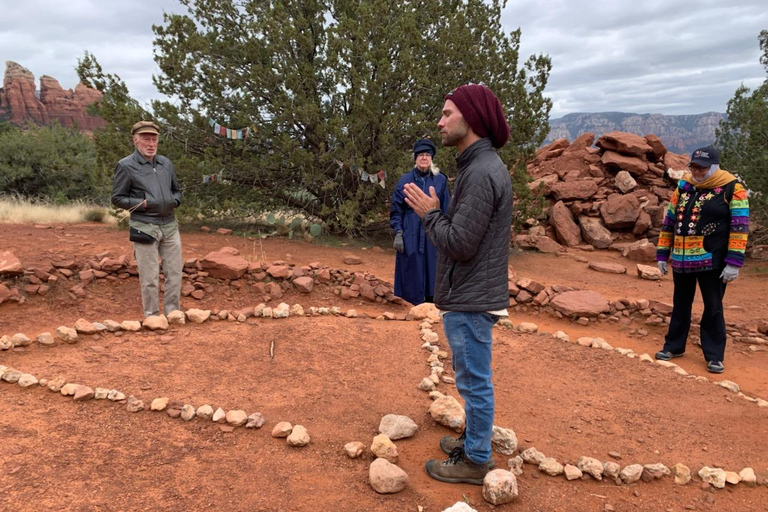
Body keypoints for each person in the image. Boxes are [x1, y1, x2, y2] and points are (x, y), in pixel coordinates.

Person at [404, 84, 513, 485]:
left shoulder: (481, 172)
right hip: (471, 291)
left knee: (474, 380)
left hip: (471, 296)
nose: (441, 121)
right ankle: (473, 441)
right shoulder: (476, 165)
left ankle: (478, 458)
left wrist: (431, 214)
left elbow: (461, 243)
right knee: (470, 376)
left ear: (471, 118)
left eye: (448, 113)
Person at [655, 145, 749, 374]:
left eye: (702, 167)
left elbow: (740, 226)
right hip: (681, 259)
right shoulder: (684, 187)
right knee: (680, 305)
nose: (697, 171)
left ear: (714, 167)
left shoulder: (732, 188)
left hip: (713, 262)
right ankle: (674, 346)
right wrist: (662, 253)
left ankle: (714, 355)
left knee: (713, 307)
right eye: (694, 166)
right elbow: (669, 220)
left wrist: (733, 262)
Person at [112, 121, 183, 318]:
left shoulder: (165, 163)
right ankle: (152, 317)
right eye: (146, 139)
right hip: (143, 226)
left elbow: (176, 189)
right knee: (150, 276)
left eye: (154, 139)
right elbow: (117, 198)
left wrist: (174, 201)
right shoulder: (125, 166)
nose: (151, 144)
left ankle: (173, 313)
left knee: (175, 273)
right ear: (135, 140)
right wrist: (143, 204)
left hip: (169, 224)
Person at [390, 138, 450, 305]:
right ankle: (412, 304)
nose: (424, 158)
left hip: (434, 229)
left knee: (434, 264)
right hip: (411, 230)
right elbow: (397, 209)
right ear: (415, 158)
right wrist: (398, 232)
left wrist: (445, 232)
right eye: (421, 155)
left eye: (427, 155)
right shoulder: (404, 180)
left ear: (431, 158)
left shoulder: (441, 180)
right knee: (412, 264)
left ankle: (432, 302)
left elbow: (447, 207)